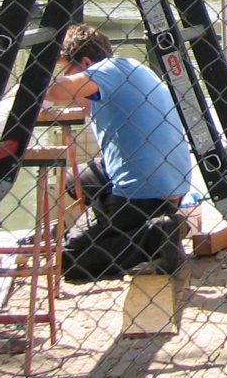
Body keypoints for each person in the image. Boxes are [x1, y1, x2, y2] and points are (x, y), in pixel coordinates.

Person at [45, 24, 194, 283]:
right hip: (169, 183)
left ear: (86, 63)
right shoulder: (129, 68)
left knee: (68, 259)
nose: (64, 77)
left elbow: (56, 91)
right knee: (74, 180)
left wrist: (29, 87)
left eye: (66, 71)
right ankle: (114, 226)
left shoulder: (105, 71)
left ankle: (155, 234)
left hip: (144, 193)